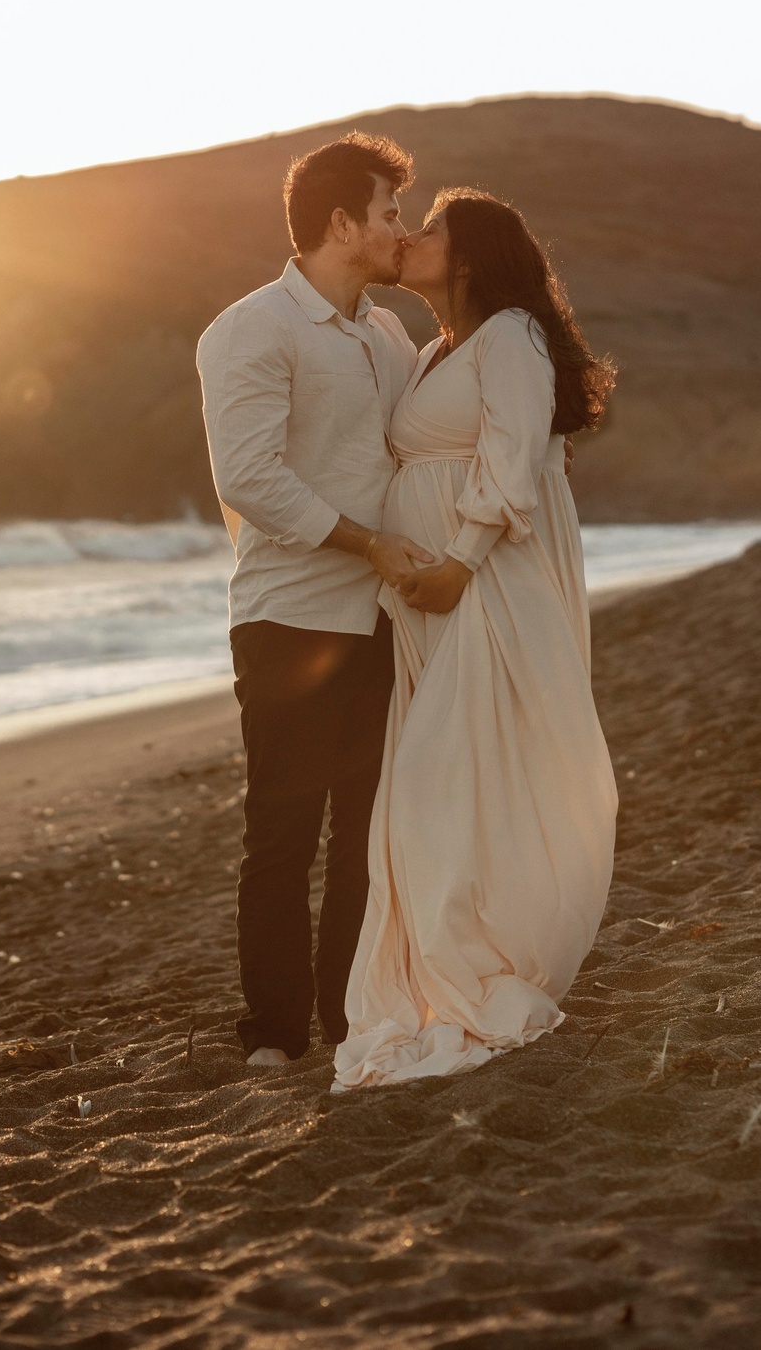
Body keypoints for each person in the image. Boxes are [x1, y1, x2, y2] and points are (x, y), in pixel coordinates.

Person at [334, 188, 620, 1090]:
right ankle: (458, 959)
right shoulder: (430, 350)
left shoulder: (512, 337)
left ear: (469, 256)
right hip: (434, 601)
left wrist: (456, 563)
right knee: (456, 778)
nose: (409, 235)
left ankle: (493, 963)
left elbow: (510, 457)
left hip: (487, 588)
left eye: (431, 228)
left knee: (448, 778)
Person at [196, 132, 438, 1067]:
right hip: (287, 616)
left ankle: (348, 1020)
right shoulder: (249, 329)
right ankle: (272, 1035)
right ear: (340, 221)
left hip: (381, 618)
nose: (399, 230)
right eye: (387, 213)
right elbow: (249, 476)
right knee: (282, 835)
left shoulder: (386, 334)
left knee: (365, 834)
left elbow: (424, 445)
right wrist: (368, 542)